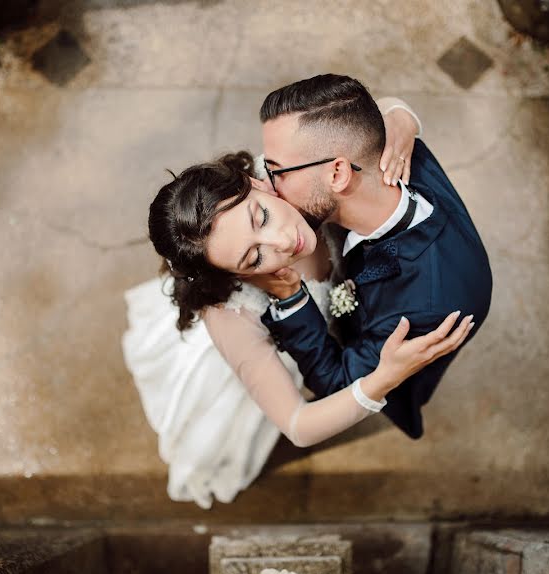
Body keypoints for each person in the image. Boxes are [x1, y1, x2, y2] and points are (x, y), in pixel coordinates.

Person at [123, 98, 473, 509]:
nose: (283, 242)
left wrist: (402, 121)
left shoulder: (282, 169)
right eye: (253, 258)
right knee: (229, 422)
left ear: (254, 183)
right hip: (280, 347)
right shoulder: (231, 316)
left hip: (346, 312)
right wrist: (382, 380)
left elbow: (363, 114)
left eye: (262, 218)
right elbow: (298, 425)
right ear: (236, 276)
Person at [255, 74, 493, 440]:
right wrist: (400, 110)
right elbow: (375, 112)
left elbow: (338, 382)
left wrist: (289, 297)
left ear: (337, 173)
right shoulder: (390, 149)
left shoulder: (426, 306)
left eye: (277, 171)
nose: (268, 184)